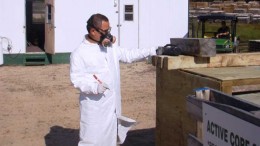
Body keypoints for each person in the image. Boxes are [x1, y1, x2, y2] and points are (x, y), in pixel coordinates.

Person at [69, 13, 157, 146]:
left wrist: (152, 50)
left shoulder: (109, 47)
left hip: (112, 107)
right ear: (93, 31)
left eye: (109, 30)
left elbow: (128, 55)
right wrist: (94, 87)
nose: (108, 35)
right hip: (94, 109)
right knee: (91, 141)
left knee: (110, 140)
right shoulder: (79, 53)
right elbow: (77, 79)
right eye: (105, 31)